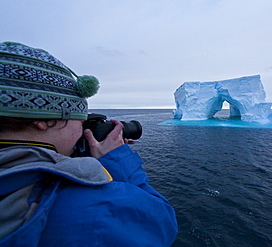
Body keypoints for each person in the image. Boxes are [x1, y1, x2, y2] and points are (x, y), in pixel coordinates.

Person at [0, 42, 178, 246]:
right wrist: (117, 159)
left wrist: (74, 159)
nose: (82, 127)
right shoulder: (95, 210)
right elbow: (161, 223)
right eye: (79, 118)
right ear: (40, 120)